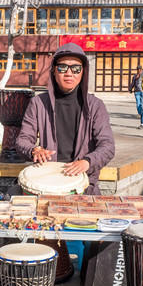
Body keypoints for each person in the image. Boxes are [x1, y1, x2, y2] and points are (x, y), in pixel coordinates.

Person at [15, 42, 115, 194]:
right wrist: (33, 150)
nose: (69, 73)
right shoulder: (38, 103)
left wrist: (87, 162)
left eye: (76, 68)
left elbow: (107, 146)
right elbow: (23, 140)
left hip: (83, 184)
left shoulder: (96, 106)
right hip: (46, 181)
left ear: (83, 73)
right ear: (54, 71)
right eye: (62, 67)